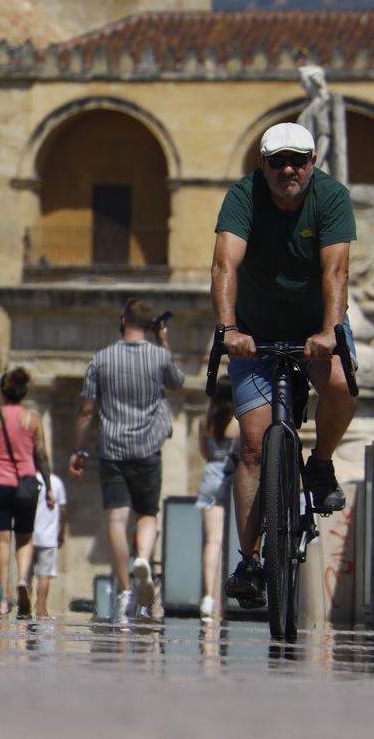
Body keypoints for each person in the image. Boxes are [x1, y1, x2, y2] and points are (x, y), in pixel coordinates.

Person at [211, 121, 357, 609]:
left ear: (313, 162)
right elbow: (224, 265)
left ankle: (320, 465)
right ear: (263, 164)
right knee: (253, 445)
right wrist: (229, 330)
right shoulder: (244, 196)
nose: (288, 170)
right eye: (278, 161)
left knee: (340, 386)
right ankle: (249, 561)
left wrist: (329, 332)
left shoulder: (330, 197)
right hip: (254, 332)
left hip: (315, 325)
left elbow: (336, 269)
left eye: (298, 161)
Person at [69, 297, 185, 621]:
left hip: (113, 448)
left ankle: (123, 592)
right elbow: (177, 381)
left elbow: (86, 410)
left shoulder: (101, 359)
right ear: (151, 326)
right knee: (147, 513)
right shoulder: (159, 357)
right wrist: (164, 341)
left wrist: (78, 450)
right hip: (148, 447)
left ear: (123, 321)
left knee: (116, 520)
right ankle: (143, 559)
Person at [0, 366, 54, 617]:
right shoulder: (33, 419)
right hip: (25, 485)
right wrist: (49, 487)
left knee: (2, 539)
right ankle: (21, 579)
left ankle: (3, 597)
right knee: (25, 537)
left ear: (3, 391)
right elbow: (41, 455)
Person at [196, 386, 240, 619]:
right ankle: (229, 595)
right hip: (232, 476)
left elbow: (205, 453)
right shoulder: (238, 422)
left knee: (212, 541)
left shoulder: (205, 422)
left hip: (211, 474)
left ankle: (208, 596)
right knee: (234, 537)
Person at [29, 469, 68, 620]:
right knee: (44, 575)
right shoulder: (56, 482)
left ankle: (24, 608)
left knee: (26, 575)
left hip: (28, 535)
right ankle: (41, 610)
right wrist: (62, 531)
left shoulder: (29, 480)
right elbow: (63, 510)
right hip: (48, 536)